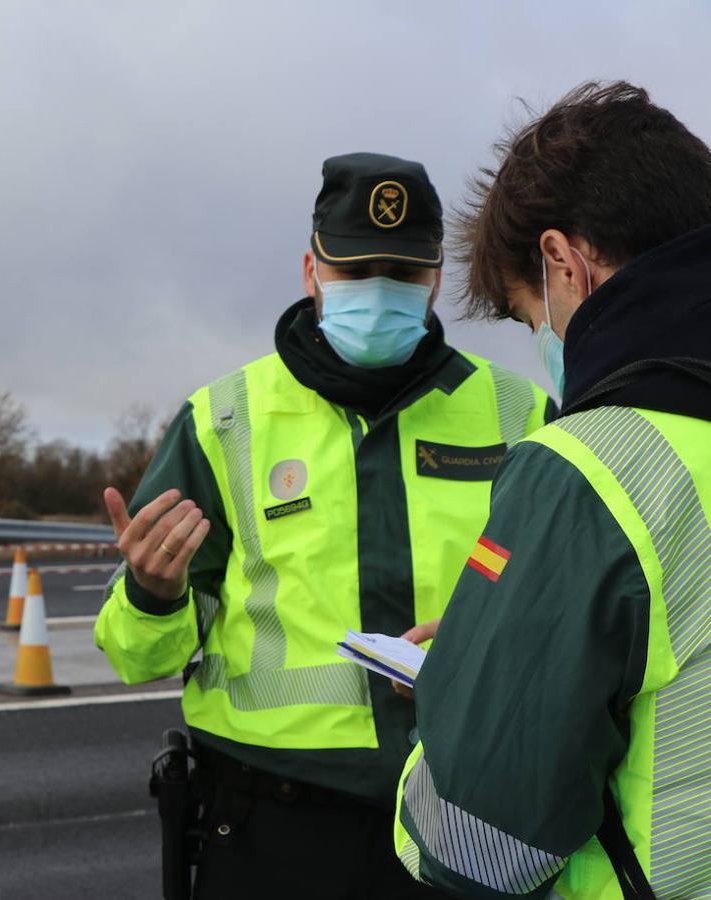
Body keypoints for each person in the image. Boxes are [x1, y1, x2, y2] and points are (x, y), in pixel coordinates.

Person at [95, 153, 554, 899]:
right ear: (311, 271)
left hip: (470, 817)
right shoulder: (223, 421)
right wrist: (152, 592)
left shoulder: (521, 414)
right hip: (274, 830)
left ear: (435, 277)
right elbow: (135, 656)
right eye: (355, 270)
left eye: (402, 274)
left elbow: (565, 611)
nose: (380, 291)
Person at [394, 82, 711, 899]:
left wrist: (468, 683)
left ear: (564, 263)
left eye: (528, 311)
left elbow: (480, 841)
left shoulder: (589, 468)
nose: (545, 340)